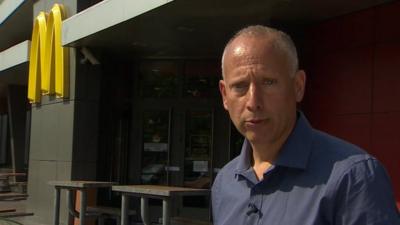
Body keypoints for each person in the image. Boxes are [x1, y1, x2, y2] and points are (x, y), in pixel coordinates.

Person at [212, 25, 400, 225]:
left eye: (268, 82)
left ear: (298, 86)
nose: (253, 102)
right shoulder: (225, 183)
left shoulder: (353, 178)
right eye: (240, 86)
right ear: (224, 95)